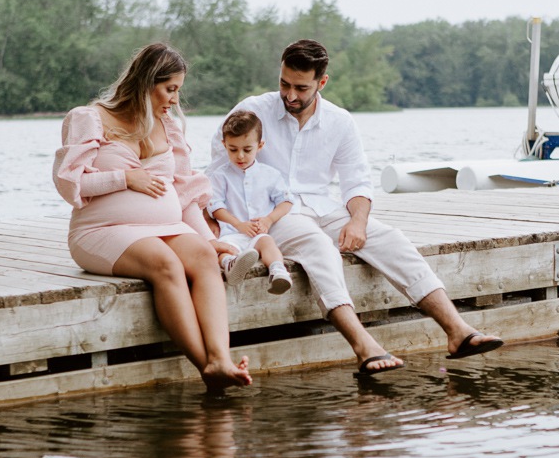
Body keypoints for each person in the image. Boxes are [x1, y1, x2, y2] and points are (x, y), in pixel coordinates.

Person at [209, 39, 503, 375]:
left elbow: (357, 183)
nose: (290, 95)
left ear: (322, 82)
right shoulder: (252, 111)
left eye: (301, 88)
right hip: (274, 215)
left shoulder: (340, 121)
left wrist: (358, 222)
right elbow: (217, 173)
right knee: (318, 246)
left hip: (324, 206)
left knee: (390, 238)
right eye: (284, 83)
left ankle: (458, 332)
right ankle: (364, 347)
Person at [53, 43, 252, 392]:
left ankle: (221, 357)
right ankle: (205, 366)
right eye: (170, 89)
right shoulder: (89, 118)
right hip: (101, 230)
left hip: (165, 226)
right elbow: (70, 182)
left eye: (178, 90)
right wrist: (124, 178)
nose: (175, 99)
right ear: (146, 81)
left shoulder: (168, 127)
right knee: (165, 264)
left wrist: (208, 239)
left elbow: (185, 194)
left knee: (205, 257)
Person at [209, 110, 294, 294]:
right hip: (231, 232)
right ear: (224, 145)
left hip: (256, 233)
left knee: (267, 242)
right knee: (224, 250)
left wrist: (268, 219)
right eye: (233, 149)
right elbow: (216, 207)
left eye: (247, 150)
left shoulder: (270, 174)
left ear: (260, 145)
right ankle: (230, 264)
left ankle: (278, 271)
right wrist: (238, 224)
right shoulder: (220, 175)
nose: (240, 156)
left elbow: (286, 201)